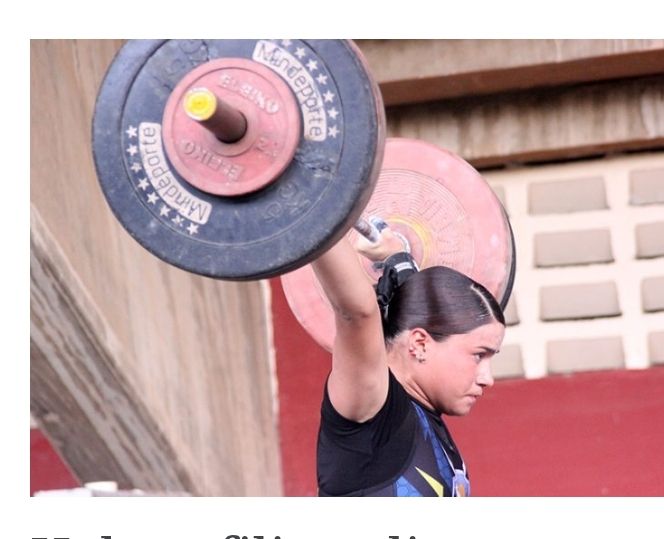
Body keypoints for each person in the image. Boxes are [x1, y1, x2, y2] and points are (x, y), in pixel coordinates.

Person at [311, 224, 506, 497]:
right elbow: (358, 313)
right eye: (478, 355)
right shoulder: (374, 412)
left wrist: (398, 259)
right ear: (420, 344)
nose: (488, 378)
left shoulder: (425, 417)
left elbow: (415, 306)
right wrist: (312, 212)